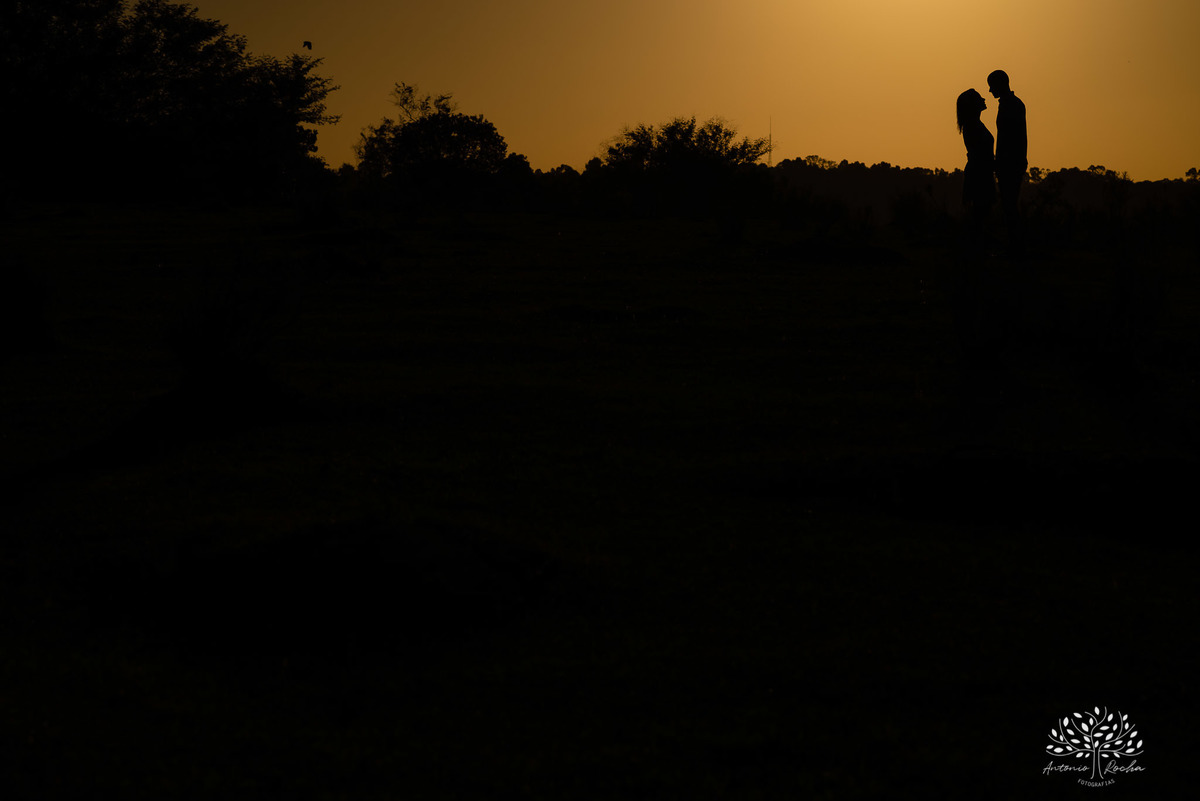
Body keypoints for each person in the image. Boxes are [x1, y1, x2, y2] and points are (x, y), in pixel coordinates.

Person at [987, 69, 1027, 254]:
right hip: (1010, 163)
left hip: (1010, 163)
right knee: (1008, 205)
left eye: (991, 86)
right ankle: (1015, 244)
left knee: (1009, 205)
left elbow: (1012, 138)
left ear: (1000, 84)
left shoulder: (1012, 105)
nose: (990, 90)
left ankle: (1016, 246)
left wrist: (1003, 162)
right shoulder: (1011, 104)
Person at [957, 88, 996, 251]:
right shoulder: (973, 126)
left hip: (981, 171)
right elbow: (979, 153)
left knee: (981, 213)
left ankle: (977, 249)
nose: (984, 99)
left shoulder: (975, 125)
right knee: (980, 213)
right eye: (980, 98)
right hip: (979, 174)